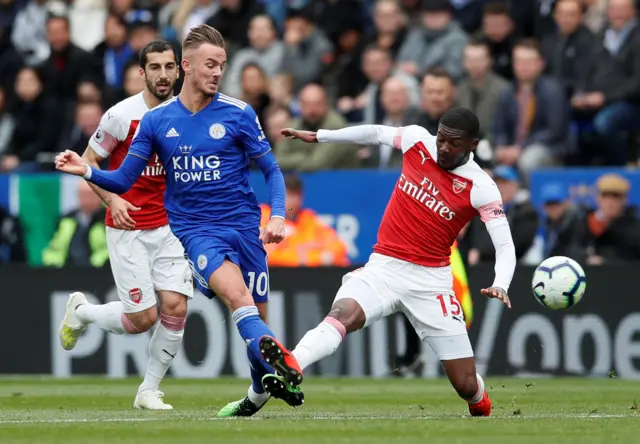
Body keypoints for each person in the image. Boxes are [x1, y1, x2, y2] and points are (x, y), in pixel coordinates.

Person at [54, 25, 303, 417]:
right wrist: (86, 172)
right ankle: (288, 363)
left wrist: (276, 215)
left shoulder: (238, 113)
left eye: (222, 65)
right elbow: (119, 177)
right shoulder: (145, 120)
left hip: (235, 228)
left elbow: (271, 169)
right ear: (187, 67)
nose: (218, 72)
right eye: (210, 65)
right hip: (186, 231)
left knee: (240, 317)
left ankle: (254, 394)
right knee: (188, 308)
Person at [264, 107, 517, 416]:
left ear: (472, 145)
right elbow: (374, 132)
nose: (444, 148)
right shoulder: (417, 141)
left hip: (430, 281)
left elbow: (504, 245)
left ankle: (481, 402)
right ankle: (292, 363)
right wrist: (320, 136)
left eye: (454, 144)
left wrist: (500, 283)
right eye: (441, 139)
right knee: (343, 313)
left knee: (465, 384)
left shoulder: (481, 186)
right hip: (384, 266)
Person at [56, 40, 193, 410]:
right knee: (143, 318)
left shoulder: (189, 113)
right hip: (128, 225)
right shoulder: (121, 116)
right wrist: (113, 199)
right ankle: (82, 312)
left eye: (169, 67)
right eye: (155, 68)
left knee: (176, 307)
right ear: (141, 73)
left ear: (179, 70)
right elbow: (89, 162)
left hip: (172, 227)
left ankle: (148, 390)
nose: (163, 75)